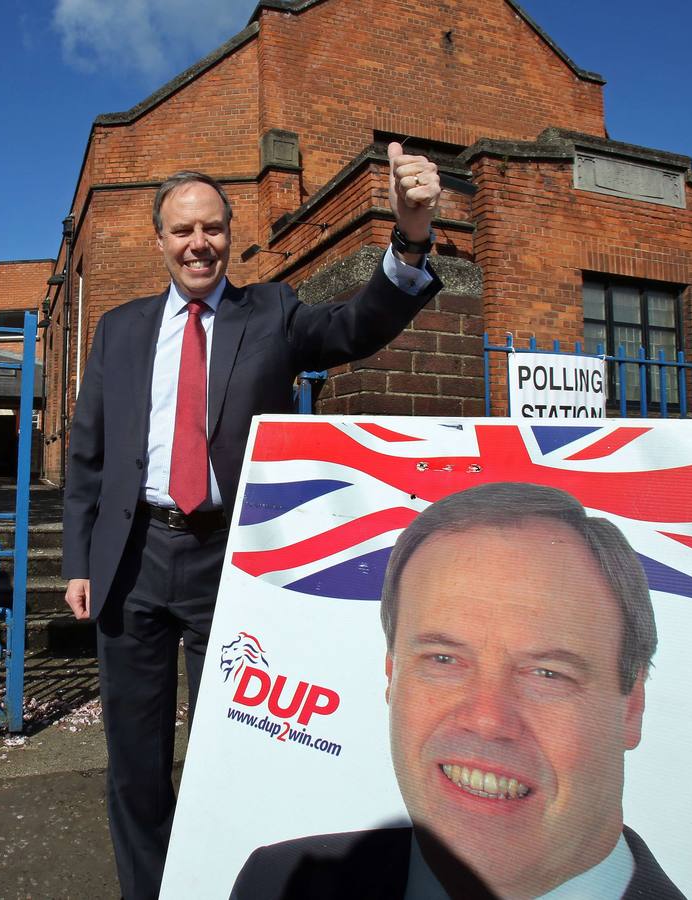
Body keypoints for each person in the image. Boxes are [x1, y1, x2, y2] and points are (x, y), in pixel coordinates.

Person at [62, 144, 445, 900]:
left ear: (230, 234)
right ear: (160, 241)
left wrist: (409, 239)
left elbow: (356, 327)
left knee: (230, 756)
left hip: (230, 565)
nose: (197, 243)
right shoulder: (119, 329)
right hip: (132, 559)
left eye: (210, 228)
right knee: (135, 767)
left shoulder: (270, 311)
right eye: (181, 231)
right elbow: (88, 456)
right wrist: (79, 558)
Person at [230, 482, 684, 900]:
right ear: (392, 674)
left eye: (547, 673)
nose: (487, 720)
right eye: (443, 660)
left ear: (632, 706)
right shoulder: (277, 881)